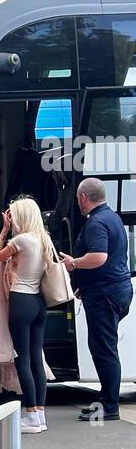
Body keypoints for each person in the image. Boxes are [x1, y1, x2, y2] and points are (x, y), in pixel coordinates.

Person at [63, 175, 133, 422]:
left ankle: (110, 406)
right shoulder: (113, 217)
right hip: (115, 289)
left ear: (83, 197)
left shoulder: (95, 223)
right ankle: (105, 399)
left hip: (106, 294)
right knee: (104, 346)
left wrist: (74, 263)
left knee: (104, 349)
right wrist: (84, 285)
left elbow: (99, 256)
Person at [0, 196, 56, 434]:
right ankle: (40, 414)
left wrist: (4, 230)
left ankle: (29, 415)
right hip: (39, 301)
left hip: (21, 300)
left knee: (23, 359)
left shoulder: (21, 240)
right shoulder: (43, 239)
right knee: (37, 358)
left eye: (14, 215)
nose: (12, 219)